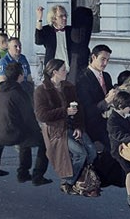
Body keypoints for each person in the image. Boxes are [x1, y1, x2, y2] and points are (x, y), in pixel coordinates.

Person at [33, 60, 94, 194]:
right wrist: (64, 111)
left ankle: (78, 177)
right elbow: (42, 115)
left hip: (72, 125)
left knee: (92, 151)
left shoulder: (68, 87)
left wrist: (79, 126)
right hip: (56, 129)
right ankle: (68, 182)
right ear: (54, 72)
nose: (66, 71)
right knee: (80, 152)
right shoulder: (41, 90)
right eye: (62, 69)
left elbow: (79, 108)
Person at [0, 61, 49, 184]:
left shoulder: (0, 89)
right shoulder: (19, 92)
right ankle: (37, 176)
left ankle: (23, 173)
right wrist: (39, 130)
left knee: (26, 136)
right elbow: (29, 117)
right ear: (20, 75)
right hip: (13, 133)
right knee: (44, 141)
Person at [75, 46, 115, 153]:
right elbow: (87, 109)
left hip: (108, 123)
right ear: (93, 57)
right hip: (92, 126)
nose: (105, 63)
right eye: (103, 59)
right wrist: (106, 101)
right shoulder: (82, 78)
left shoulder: (106, 76)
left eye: (107, 60)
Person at [34, 3, 91, 76]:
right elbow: (38, 41)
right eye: (61, 16)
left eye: (65, 16)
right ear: (54, 19)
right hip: (53, 69)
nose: (64, 18)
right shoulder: (47, 30)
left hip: (69, 69)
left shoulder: (71, 30)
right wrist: (39, 19)